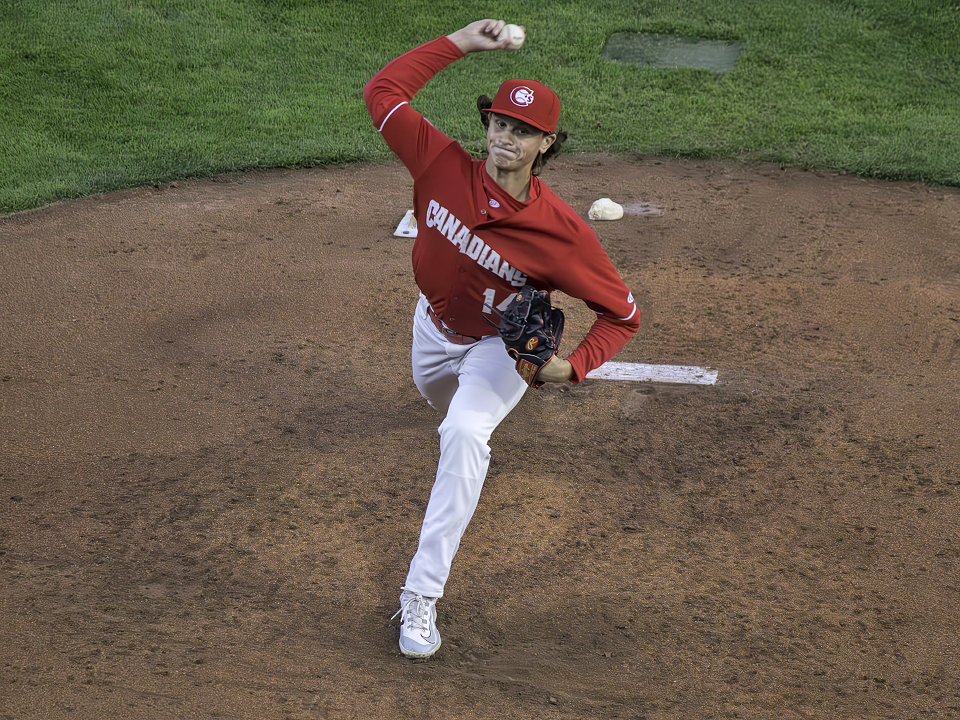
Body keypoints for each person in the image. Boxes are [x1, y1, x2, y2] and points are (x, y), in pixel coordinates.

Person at [363, 19, 641, 659]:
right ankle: (470, 430)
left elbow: (622, 315)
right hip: (431, 331)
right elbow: (383, 92)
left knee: (464, 434)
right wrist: (459, 43)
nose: (504, 138)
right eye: (498, 124)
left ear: (546, 144)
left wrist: (570, 370)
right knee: (448, 415)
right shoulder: (440, 163)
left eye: (521, 131)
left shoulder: (562, 234)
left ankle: (420, 597)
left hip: (497, 348)